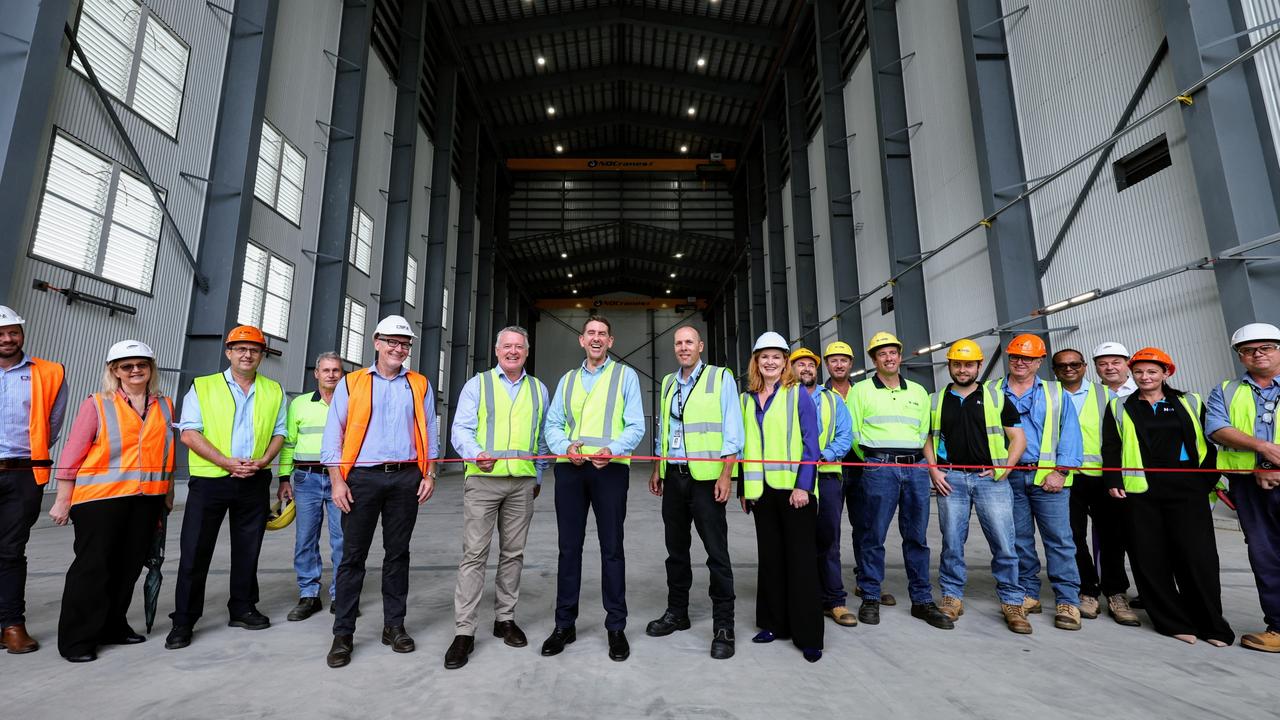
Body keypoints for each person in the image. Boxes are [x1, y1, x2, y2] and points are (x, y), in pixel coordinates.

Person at [322, 315, 437, 668]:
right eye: (392, 341)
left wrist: (429, 473)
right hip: (362, 479)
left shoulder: (418, 384)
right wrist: (338, 480)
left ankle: (394, 626)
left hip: (405, 478)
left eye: (404, 344)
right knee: (352, 557)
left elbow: (430, 428)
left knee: (397, 555)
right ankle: (343, 635)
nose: (398, 349)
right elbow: (334, 433)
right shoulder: (353, 383)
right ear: (376, 342)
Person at [49, 341, 174, 662]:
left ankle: (112, 626)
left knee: (128, 568)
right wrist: (63, 499)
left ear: (151, 368)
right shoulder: (97, 404)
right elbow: (72, 454)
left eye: (141, 365)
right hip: (100, 500)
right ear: (114, 371)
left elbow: (167, 453)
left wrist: (167, 496)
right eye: (126, 366)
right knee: (93, 568)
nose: (135, 370)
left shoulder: (164, 405)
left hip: (147, 500)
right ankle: (76, 640)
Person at [167, 325, 286, 650]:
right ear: (229, 352)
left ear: (262, 355)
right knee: (195, 550)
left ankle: (243, 608)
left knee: (248, 549)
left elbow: (280, 432)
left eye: (254, 350)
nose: (247, 354)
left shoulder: (273, 390)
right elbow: (189, 433)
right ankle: (184, 620)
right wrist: (226, 462)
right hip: (210, 481)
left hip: (254, 480)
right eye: (241, 349)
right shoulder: (203, 387)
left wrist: (263, 461)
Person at [1103, 348, 1231, 647]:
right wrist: (1113, 479)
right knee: (1150, 557)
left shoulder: (1189, 401)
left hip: (1188, 489)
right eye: (1139, 372)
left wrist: (1207, 479)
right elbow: (1111, 446)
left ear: (1166, 373)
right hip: (1141, 491)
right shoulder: (1120, 406)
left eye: (1151, 372)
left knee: (1197, 557)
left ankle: (1211, 624)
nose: (1145, 377)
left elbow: (1210, 442)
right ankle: (1171, 621)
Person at [445, 326, 550, 669]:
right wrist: (476, 454)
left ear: (527, 351)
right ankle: (464, 631)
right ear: (496, 350)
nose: (513, 351)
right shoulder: (478, 384)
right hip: (483, 481)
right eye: (507, 346)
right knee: (474, 554)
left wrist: (538, 474)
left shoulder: (538, 389)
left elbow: (544, 437)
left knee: (513, 554)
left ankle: (505, 619)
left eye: (519, 346)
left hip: (522, 484)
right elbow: (460, 429)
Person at [542, 316, 644, 662]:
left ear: (610, 341)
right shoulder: (568, 380)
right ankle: (564, 625)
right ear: (581, 341)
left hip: (610, 470)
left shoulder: (624, 376)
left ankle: (616, 627)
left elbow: (636, 424)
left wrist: (612, 450)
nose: (597, 338)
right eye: (591, 334)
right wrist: (565, 446)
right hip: (571, 471)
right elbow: (553, 424)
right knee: (568, 549)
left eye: (603, 334)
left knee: (611, 549)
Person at [646, 326, 742, 660]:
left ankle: (724, 625)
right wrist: (658, 467)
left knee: (717, 553)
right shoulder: (670, 383)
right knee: (676, 551)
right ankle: (678, 612)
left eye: (689, 342)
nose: (683, 347)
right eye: (678, 343)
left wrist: (727, 475)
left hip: (707, 478)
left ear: (700, 346)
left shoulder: (720, 378)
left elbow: (733, 430)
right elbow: (664, 428)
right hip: (674, 476)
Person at [922, 340, 1030, 633]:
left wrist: (1004, 469)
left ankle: (1012, 602)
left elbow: (1018, 438)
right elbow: (927, 439)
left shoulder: (996, 398)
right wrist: (935, 471)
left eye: (968, 364)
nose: (963, 369)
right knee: (952, 543)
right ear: (950, 366)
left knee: (1005, 544)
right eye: (957, 364)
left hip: (990, 481)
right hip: (952, 479)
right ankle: (952, 596)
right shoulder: (935, 400)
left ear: (979, 366)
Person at [848, 331, 952, 629]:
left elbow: (925, 434)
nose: (889, 357)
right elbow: (854, 433)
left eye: (893, 352)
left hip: (916, 468)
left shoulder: (918, 392)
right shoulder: (862, 391)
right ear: (874, 360)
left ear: (900, 355)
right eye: (882, 353)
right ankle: (870, 596)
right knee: (873, 534)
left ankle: (921, 600)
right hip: (879, 467)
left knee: (917, 537)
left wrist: (928, 466)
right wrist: (871, 461)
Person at [987, 333, 1084, 631]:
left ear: (1039, 362)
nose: (1020, 362)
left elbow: (1070, 434)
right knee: (1019, 540)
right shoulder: (991, 391)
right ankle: (1029, 593)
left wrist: (1062, 471)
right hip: (1007, 477)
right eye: (1015, 357)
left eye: (1027, 358)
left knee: (1060, 540)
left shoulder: (1056, 393)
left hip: (1048, 477)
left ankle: (1068, 599)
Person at [739, 332, 823, 661]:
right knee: (771, 561)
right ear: (756, 362)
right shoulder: (747, 399)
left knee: (801, 564)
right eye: (764, 356)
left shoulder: (797, 394)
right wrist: (745, 489)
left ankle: (809, 636)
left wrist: (804, 485)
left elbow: (811, 443)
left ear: (785, 361)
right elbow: (745, 449)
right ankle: (775, 624)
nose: (770, 362)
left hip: (794, 492)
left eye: (776, 356)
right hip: (762, 494)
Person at [1206, 322, 1280, 653]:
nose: (1257, 354)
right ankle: (1278, 627)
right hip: (1247, 485)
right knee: (1264, 553)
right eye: (1248, 350)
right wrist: (1263, 452)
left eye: (1265, 347)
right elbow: (1218, 428)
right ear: (1240, 356)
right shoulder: (1225, 390)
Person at [1053, 348, 1137, 626]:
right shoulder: (1050, 394)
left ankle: (1116, 593)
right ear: (1054, 369)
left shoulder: (1106, 396)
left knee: (1112, 537)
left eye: (1074, 364)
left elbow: (1123, 437)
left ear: (1084, 367)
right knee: (1072, 538)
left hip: (1103, 477)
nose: (1069, 369)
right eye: (1062, 366)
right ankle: (1087, 590)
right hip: (1066, 476)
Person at [0, 305, 66, 655]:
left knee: (11, 550)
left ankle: (12, 625)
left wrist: (27, 454)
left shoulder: (50, 372)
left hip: (23, 473)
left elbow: (52, 424)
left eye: (13, 332)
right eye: (1, 334)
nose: (8, 339)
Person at [824, 341, 894, 606]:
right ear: (828, 364)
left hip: (863, 467)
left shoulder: (864, 392)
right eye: (833, 360)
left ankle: (867, 582)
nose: (839, 365)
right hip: (831, 469)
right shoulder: (820, 393)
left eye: (844, 360)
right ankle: (831, 586)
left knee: (865, 527)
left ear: (851, 364)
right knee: (830, 529)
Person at [278, 352, 345, 622]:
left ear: (342, 375)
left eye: (336, 370)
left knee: (343, 540)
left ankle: (342, 595)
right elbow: (289, 443)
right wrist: (284, 478)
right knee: (305, 539)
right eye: (326, 370)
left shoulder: (351, 404)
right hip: (306, 478)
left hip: (341, 480)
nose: (331, 374)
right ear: (316, 374)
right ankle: (309, 595)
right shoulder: (300, 404)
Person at [791, 347, 854, 627]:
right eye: (800, 364)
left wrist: (822, 456)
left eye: (811, 365)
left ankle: (834, 601)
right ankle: (801, 598)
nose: (806, 369)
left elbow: (845, 435)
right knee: (797, 540)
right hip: (792, 479)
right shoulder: (783, 398)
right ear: (790, 369)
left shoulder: (833, 400)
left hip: (827, 476)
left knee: (828, 539)